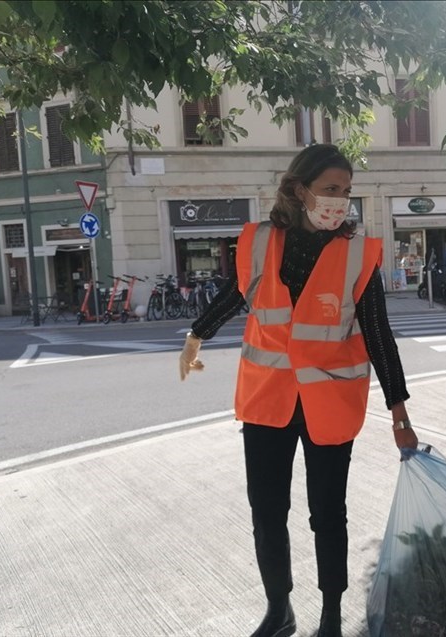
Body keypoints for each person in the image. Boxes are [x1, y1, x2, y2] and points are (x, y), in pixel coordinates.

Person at [178, 144, 419, 637]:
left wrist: (399, 410)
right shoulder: (260, 242)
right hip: (268, 400)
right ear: (298, 189)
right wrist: (196, 334)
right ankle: (279, 609)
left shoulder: (358, 252)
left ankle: (331, 613)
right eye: (331, 190)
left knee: (328, 514)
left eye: (347, 192)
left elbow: (378, 332)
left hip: (329, 405)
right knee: (267, 512)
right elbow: (233, 294)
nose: (340, 202)